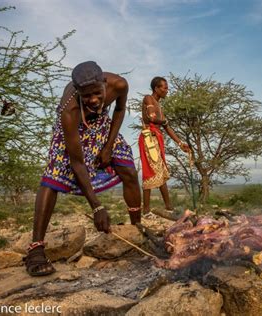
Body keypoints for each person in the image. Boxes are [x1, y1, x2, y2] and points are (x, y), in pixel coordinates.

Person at [24, 61, 141, 276]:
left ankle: (137, 229)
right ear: (77, 92)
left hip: (102, 124)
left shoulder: (120, 85)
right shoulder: (69, 111)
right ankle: (36, 249)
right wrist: (97, 207)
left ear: (104, 83)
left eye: (98, 93)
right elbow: (77, 163)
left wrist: (108, 146)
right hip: (73, 129)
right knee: (54, 174)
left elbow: (120, 109)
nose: (94, 99)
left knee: (129, 170)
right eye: (87, 96)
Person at [139, 77, 190, 213]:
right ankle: (146, 211)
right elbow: (151, 118)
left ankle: (168, 207)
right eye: (164, 87)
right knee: (150, 171)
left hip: (157, 137)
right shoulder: (148, 99)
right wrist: (164, 121)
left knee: (160, 171)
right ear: (156, 88)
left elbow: (166, 127)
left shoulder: (159, 105)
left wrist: (180, 143)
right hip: (149, 137)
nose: (167, 90)